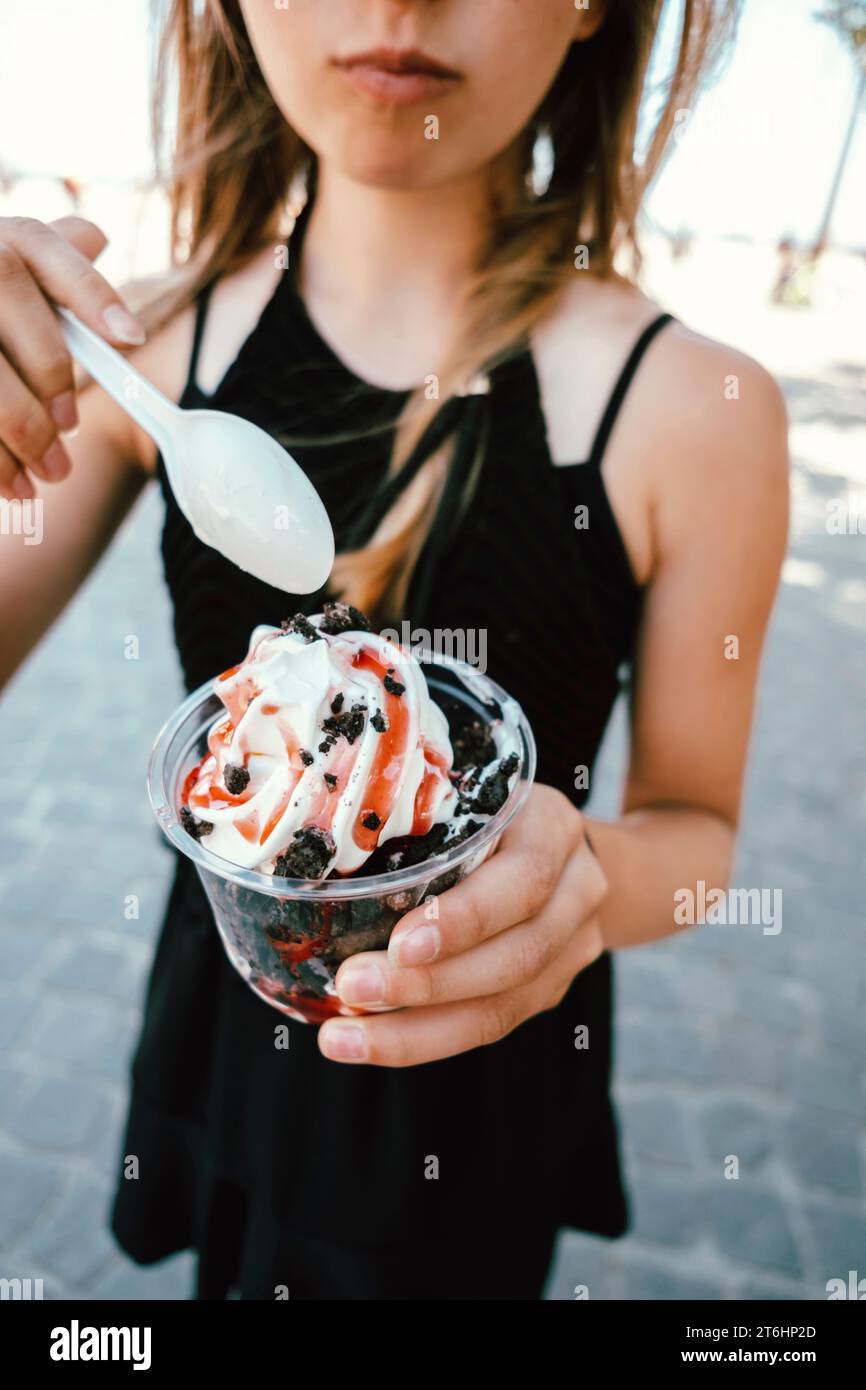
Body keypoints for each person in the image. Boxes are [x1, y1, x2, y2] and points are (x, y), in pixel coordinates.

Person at [0, 0, 788, 1300]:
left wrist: (574, 877)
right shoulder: (136, 353)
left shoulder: (692, 408)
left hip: (480, 1096)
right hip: (226, 1037)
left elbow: (695, 840)